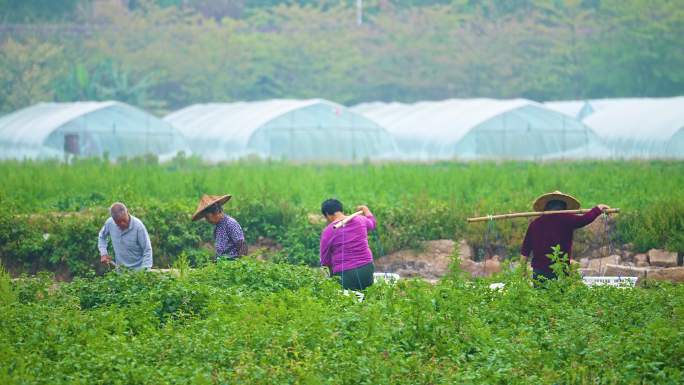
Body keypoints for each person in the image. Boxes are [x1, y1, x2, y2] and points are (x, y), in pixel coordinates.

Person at [521, 191, 610, 284]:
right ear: (564, 207)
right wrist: (598, 209)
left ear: (547, 207)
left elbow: (525, 251)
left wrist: (523, 272)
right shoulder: (567, 219)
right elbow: (584, 219)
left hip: (539, 271)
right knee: (560, 297)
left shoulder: (535, 224)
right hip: (560, 270)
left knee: (541, 297)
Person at [319, 199, 376, 290]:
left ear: (328, 215)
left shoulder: (328, 231)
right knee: (367, 299)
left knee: (349, 301)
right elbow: (372, 224)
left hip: (345, 273)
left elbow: (325, 260)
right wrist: (366, 210)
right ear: (341, 210)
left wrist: (330, 274)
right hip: (367, 268)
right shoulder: (361, 219)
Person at [98, 202, 153, 271]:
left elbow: (147, 249)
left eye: (124, 220)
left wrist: (145, 271)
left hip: (139, 271)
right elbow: (102, 237)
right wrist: (103, 253)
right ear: (113, 220)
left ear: (127, 212)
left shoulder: (138, 226)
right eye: (118, 222)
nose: (122, 224)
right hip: (120, 271)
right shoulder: (110, 223)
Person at [192, 194, 247, 261]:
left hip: (232, 263)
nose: (207, 220)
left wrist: (240, 265)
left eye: (207, 217)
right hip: (223, 264)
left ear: (216, 213)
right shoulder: (218, 227)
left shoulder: (231, 223)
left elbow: (242, 245)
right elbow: (221, 251)